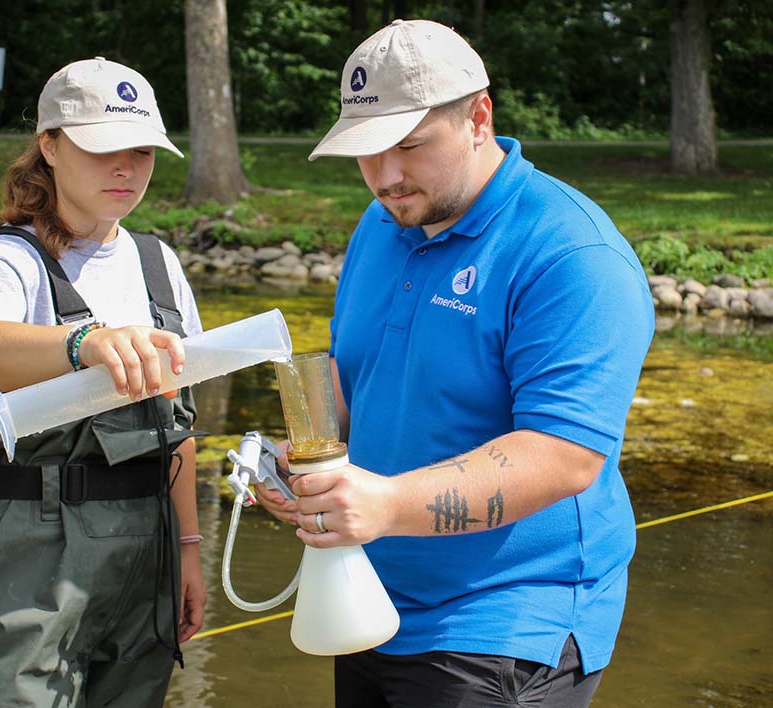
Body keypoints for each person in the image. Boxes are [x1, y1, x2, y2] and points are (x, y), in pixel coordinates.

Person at [257, 19, 654, 708]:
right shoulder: (383, 222)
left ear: (478, 119)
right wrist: (304, 464)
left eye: (408, 146)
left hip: (506, 623)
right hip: (368, 595)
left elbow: (563, 456)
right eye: (366, 152)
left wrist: (382, 504)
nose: (384, 177)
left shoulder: (571, 255)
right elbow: (359, 373)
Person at [0, 57, 206, 707]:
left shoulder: (159, 264)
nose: (125, 168)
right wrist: (84, 343)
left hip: (149, 549)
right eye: (103, 148)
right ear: (50, 146)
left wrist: (189, 549)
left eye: (141, 151)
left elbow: (182, 426)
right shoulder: (8, 258)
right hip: (29, 552)